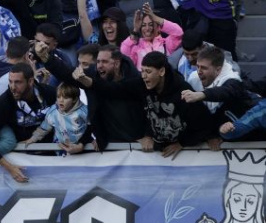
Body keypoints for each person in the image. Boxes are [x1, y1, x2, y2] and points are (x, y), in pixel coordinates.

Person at [73, 51, 212, 158]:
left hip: (185, 154)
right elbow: (113, 89)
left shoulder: (182, 90)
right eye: (143, 70)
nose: (144, 76)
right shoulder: (141, 84)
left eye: (148, 71)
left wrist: (182, 143)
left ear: (162, 71)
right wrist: (88, 82)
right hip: (155, 151)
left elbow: (204, 122)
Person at [0, 63, 57, 183]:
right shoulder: (5, 102)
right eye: (10, 81)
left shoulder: (49, 93)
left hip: (52, 155)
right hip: (20, 159)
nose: (12, 87)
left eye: (18, 82)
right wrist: (9, 167)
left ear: (30, 81)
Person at [180, 46, 257, 145]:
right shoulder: (194, 78)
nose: (199, 72)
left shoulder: (232, 79)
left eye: (204, 68)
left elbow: (225, 92)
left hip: (246, 136)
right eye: (198, 66)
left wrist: (202, 95)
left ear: (218, 69)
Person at [22, 82, 90, 154]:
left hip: (81, 150)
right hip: (60, 149)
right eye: (58, 97)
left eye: (65, 97)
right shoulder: (53, 111)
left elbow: (93, 126)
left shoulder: (84, 111)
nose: (61, 100)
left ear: (74, 99)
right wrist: (32, 139)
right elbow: (44, 128)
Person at [120, 2, 183, 71]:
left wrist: (155, 17)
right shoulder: (136, 47)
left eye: (151, 24)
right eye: (143, 25)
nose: (147, 29)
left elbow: (178, 32)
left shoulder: (166, 43)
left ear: (158, 27)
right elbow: (123, 52)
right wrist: (135, 30)